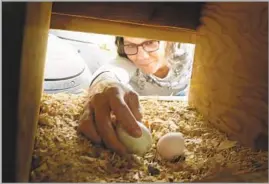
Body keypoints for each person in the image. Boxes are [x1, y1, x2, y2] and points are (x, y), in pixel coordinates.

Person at [78, 36, 195, 155]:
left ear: (169, 41)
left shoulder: (190, 52)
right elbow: (109, 72)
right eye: (131, 45)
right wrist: (104, 85)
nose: (141, 56)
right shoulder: (128, 62)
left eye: (150, 42)